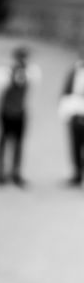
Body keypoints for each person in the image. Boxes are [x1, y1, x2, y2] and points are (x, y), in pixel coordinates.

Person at [0, 46, 41, 187]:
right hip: (6, 111)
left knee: (19, 143)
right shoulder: (4, 73)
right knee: (3, 140)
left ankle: (16, 172)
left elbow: (33, 83)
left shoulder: (30, 73)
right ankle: (0, 172)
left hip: (20, 111)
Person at [58, 47, 84, 186]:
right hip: (75, 112)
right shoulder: (74, 71)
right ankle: (77, 175)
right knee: (75, 145)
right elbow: (66, 92)